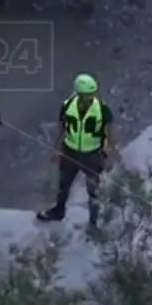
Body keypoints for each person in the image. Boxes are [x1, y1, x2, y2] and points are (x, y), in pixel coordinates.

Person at [37, 73, 123, 229]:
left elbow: (111, 132)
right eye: (87, 95)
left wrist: (110, 153)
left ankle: (94, 222)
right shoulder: (67, 106)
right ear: (79, 94)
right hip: (70, 152)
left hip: (92, 155)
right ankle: (58, 211)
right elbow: (61, 128)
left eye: (92, 94)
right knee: (64, 184)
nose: (91, 97)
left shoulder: (103, 110)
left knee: (94, 191)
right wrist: (55, 149)